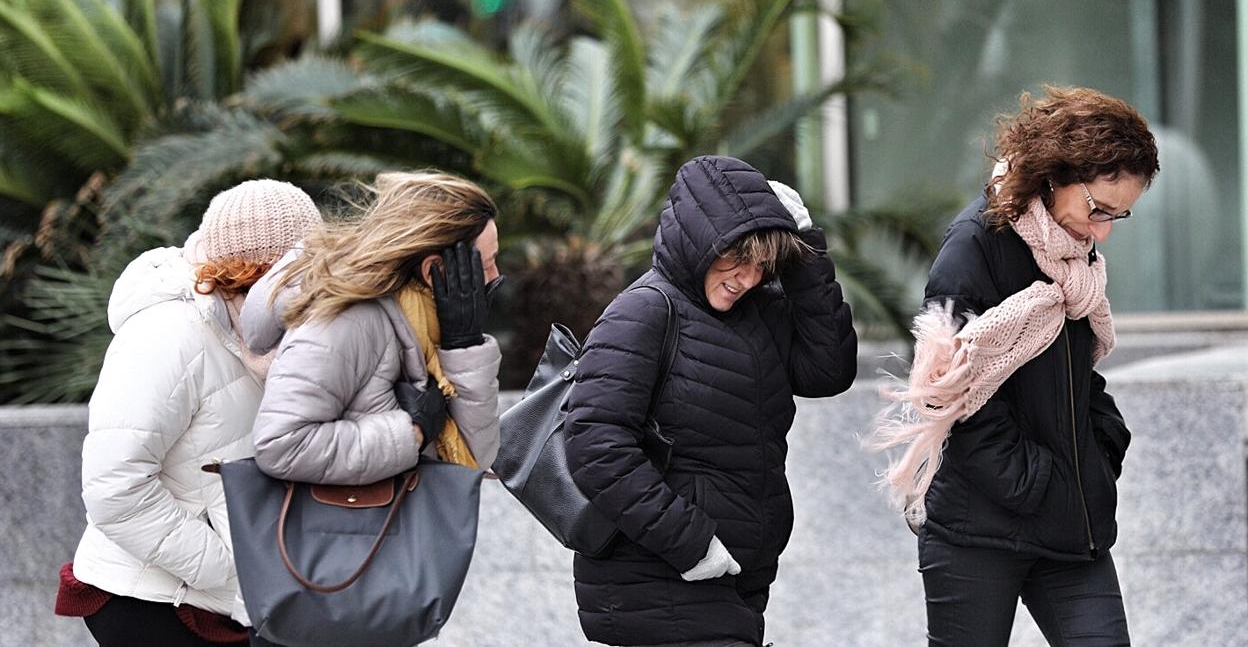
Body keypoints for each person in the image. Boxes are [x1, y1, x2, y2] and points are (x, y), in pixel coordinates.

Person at [869, 86, 1159, 646]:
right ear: (1054, 175)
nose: (1103, 232)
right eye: (1098, 209)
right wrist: (1040, 484)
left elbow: (1074, 372)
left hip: (1072, 531)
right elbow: (947, 397)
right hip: (978, 536)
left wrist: (1102, 444)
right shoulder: (973, 248)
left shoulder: (1073, 253)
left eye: (1120, 216)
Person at [564, 155, 858, 647]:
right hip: (657, 581)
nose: (746, 277)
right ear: (701, 241)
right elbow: (595, 445)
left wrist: (805, 249)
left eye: (763, 265)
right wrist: (692, 544)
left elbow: (829, 370)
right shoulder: (643, 310)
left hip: (735, 577)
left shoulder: (757, 312)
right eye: (737, 257)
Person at [55, 180, 322, 646]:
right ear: (252, 272)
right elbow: (115, 486)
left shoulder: (272, 334)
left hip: (238, 598)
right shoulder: (167, 333)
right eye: (295, 274)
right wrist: (230, 564)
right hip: (155, 602)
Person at [248, 170, 502, 487]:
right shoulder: (347, 321)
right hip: (352, 532)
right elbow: (280, 445)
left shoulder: (431, 322)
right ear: (434, 269)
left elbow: (477, 459)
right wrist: (412, 432)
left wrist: (463, 346)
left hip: (407, 531)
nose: (494, 275)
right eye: (487, 262)